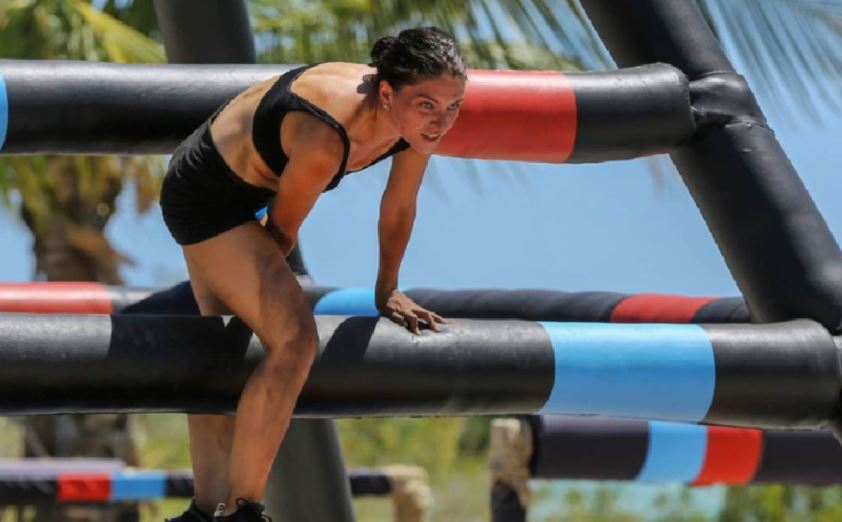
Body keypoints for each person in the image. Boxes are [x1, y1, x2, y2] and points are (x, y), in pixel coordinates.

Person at [161, 27, 467, 522]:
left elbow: (399, 207)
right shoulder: (325, 136)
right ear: (386, 93)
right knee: (295, 341)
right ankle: (241, 511)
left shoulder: (414, 123)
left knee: (223, 350)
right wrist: (263, 295)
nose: (441, 120)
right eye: (428, 105)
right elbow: (280, 234)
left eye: (454, 106)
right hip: (204, 199)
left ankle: (204, 512)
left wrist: (387, 290)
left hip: (247, 190)